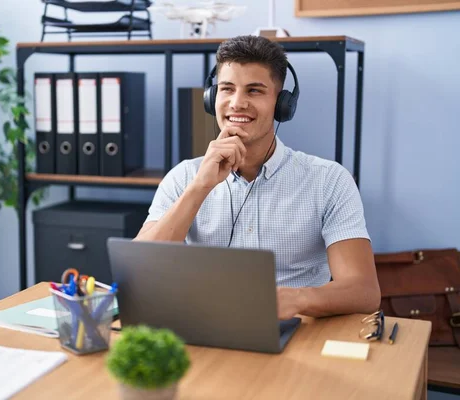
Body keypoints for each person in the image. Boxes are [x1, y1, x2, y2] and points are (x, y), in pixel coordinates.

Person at [134, 35, 381, 320]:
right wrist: (200, 187)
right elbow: (141, 269)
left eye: (254, 91)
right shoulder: (184, 178)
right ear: (212, 98)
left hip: (295, 331)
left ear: (281, 104)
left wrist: (296, 299)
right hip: (204, 325)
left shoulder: (328, 180)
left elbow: (364, 291)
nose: (237, 103)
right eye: (227, 89)